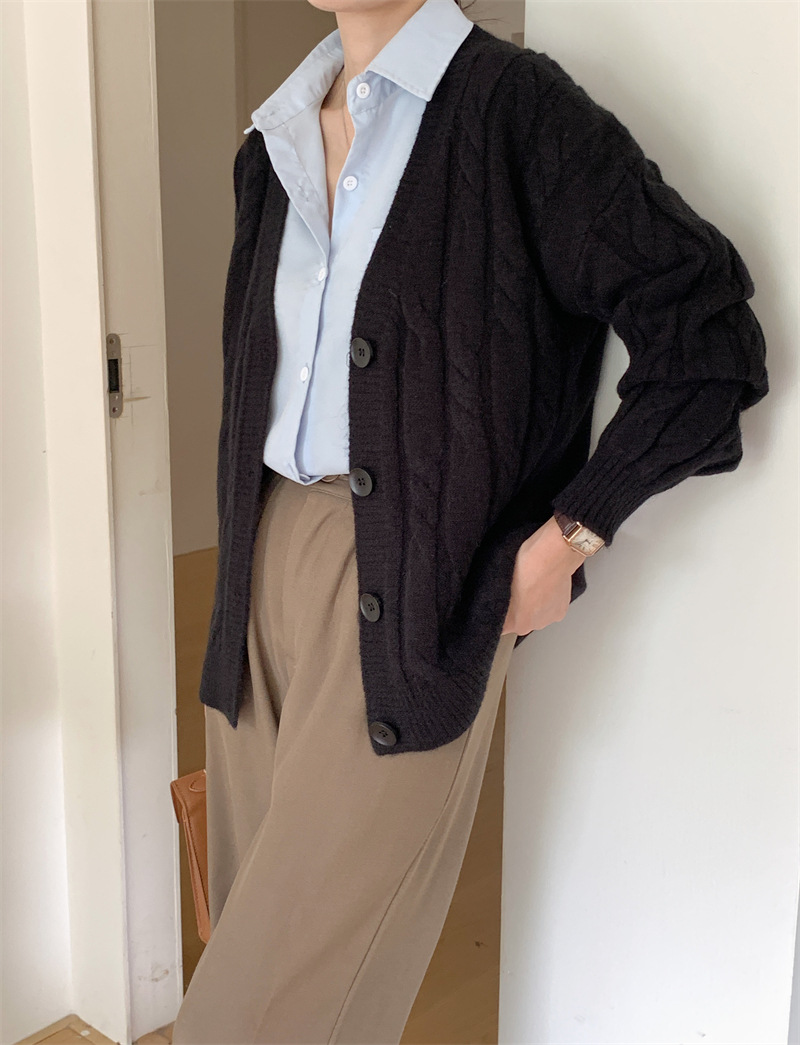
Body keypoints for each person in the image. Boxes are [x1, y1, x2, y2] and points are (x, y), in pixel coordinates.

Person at [171, 0, 768, 1041]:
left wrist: (570, 536)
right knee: (251, 944)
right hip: (258, 562)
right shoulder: (273, 141)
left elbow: (707, 336)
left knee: (262, 1014)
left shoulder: (516, 112)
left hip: (412, 591)